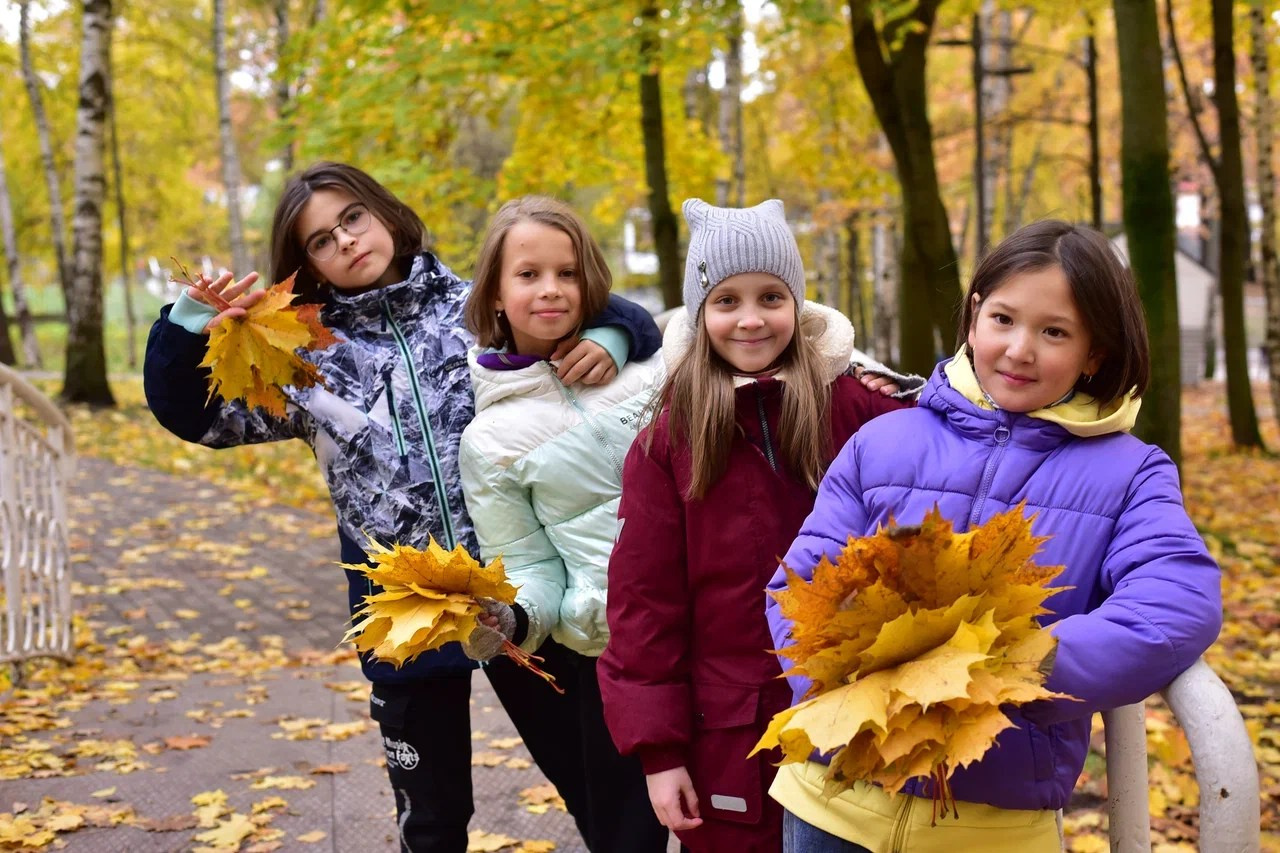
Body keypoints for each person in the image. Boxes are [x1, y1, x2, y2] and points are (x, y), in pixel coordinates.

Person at [142, 162, 662, 853]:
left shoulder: (479, 307)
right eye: (322, 240)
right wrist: (184, 325)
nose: (347, 241)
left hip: (527, 586)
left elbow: (598, 304)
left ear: (383, 212)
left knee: (608, 791)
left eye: (352, 217)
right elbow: (194, 417)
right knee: (433, 817)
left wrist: (614, 336)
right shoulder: (303, 355)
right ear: (308, 263)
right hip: (405, 605)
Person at [766, 219, 1223, 852]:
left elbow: (1174, 604)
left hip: (987, 824)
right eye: (1004, 320)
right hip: (832, 801)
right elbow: (801, 583)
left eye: (1054, 332)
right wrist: (865, 684)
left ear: (1095, 352)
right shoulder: (884, 441)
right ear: (974, 316)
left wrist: (1003, 668)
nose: (1019, 350)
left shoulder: (1129, 473)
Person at [597, 198, 914, 853]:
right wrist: (660, 752)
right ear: (699, 313)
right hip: (733, 739)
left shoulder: (861, 413)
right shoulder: (668, 445)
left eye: (771, 296)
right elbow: (643, 606)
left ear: (797, 304)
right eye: (726, 300)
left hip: (861, 720)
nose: (750, 319)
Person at [453, 195, 670, 852]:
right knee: (628, 836)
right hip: (612, 657)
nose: (551, 289)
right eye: (529, 274)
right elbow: (528, 566)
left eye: (567, 272)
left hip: (711, 631)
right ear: (494, 290)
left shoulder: (646, 364)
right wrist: (510, 618)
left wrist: (619, 333)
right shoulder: (488, 441)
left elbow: (801, 325)